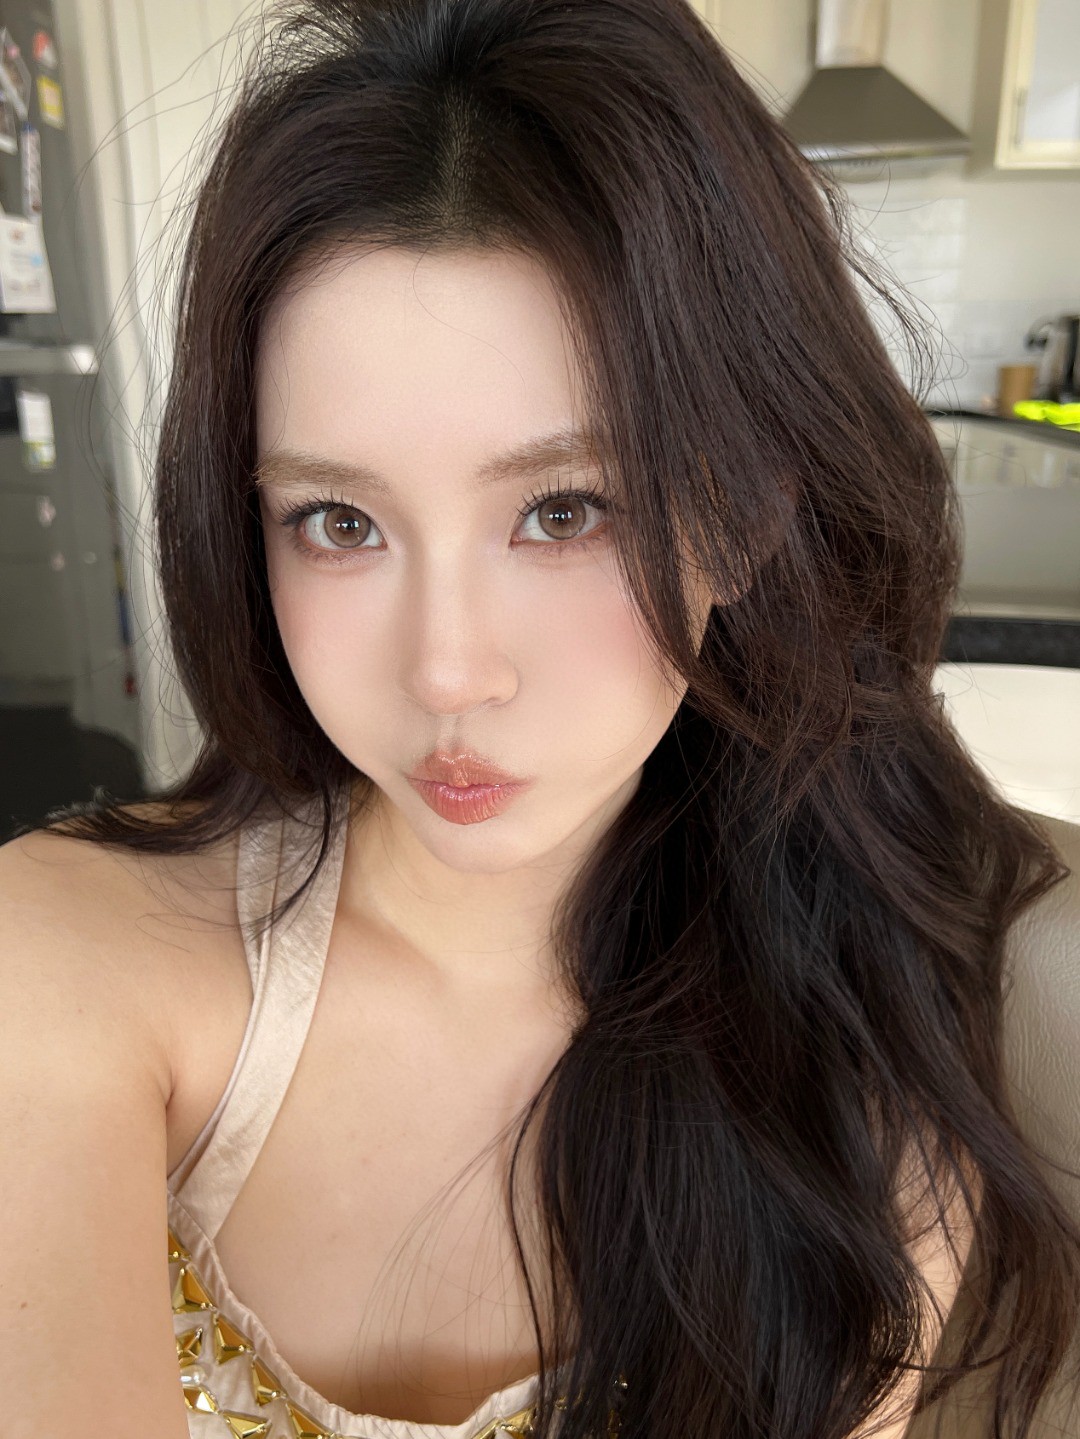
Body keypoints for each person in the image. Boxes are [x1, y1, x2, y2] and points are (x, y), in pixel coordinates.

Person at [2, 1, 1080, 1436]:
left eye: (564, 511)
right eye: (338, 521)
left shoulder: (859, 1037)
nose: (448, 672)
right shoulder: (64, 960)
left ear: (746, 515)